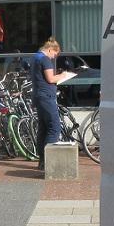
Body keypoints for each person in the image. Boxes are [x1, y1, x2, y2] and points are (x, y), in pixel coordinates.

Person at [29, 37, 69, 171]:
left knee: (43, 128)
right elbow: (50, 78)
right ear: (50, 49)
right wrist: (63, 75)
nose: (53, 58)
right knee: (54, 127)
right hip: (46, 96)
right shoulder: (45, 59)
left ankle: (42, 161)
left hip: (38, 96)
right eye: (54, 55)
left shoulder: (35, 57)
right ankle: (48, 161)